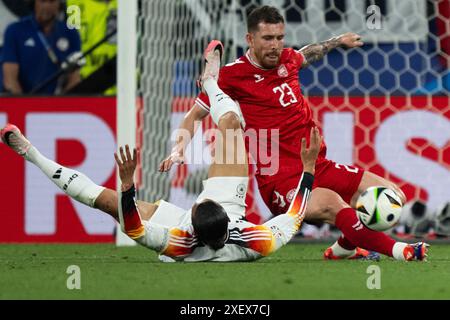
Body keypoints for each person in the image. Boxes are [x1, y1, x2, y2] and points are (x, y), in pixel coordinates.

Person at [1, 41, 323, 262]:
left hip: (187, 227)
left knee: (103, 201)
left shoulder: (178, 242)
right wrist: (308, 170)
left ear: (191, 223)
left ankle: (30, 153)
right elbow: (294, 218)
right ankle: (211, 83)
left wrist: (128, 189)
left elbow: (134, 228)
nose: (198, 198)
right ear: (229, 222)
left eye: (197, 204)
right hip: (227, 203)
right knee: (232, 125)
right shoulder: (255, 241)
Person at [159, 6, 429, 261]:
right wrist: (178, 148)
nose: (275, 45)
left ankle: (342, 250)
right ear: (249, 39)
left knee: (393, 195)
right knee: (334, 205)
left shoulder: (287, 58)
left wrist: (338, 40)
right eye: (267, 38)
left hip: (316, 164)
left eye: (279, 37)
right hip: (281, 178)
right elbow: (195, 114)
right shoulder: (232, 75)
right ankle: (401, 250)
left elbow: (309, 52)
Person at [2, 0, 81, 94]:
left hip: (58, 103)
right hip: (23, 102)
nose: (47, 6)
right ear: (33, 3)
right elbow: (10, 79)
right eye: (42, 1)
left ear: (59, 4)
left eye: (51, 2)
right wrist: (24, 105)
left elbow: (74, 78)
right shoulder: (15, 31)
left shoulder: (70, 33)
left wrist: (61, 104)